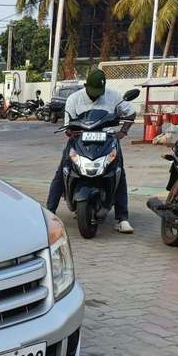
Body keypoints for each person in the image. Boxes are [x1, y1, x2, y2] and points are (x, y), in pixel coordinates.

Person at [46, 69, 136, 234]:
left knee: (118, 173)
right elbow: (68, 125)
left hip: (107, 140)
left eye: (98, 93)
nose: (95, 96)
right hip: (80, 140)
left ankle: (122, 218)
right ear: (86, 85)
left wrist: (123, 132)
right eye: (92, 92)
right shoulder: (74, 98)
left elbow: (130, 112)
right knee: (62, 172)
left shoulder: (113, 96)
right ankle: (49, 213)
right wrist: (72, 132)